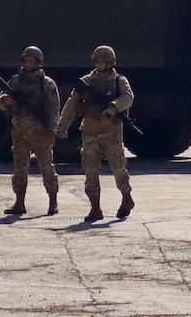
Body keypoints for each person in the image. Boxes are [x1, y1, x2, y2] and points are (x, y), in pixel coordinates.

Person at [57, 45, 135, 223]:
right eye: (98, 61)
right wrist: (63, 126)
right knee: (90, 169)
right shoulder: (87, 81)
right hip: (90, 130)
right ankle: (95, 207)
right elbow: (72, 104)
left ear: (110, 63)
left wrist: (113, 108)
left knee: (118, 167)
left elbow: (128, 97)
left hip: (111, 130)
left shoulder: (119, 81)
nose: (100, 64)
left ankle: (126, 197)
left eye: (104, 61)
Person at [0, 46, 61, 216]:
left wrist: (52, 132)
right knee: (19, 167)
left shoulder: (47, 84)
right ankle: (19, 202)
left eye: (32, 61)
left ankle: (53, 201)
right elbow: (2, 102)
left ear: (38, 63)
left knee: (46, 166)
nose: (28, 64)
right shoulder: (15, 81)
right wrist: (4, 100)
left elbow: (54, 109)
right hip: (19, 129)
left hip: (39, 129)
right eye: (26, 61)